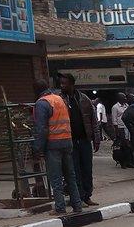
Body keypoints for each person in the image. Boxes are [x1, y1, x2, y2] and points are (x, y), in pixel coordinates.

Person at [33, 81, 83, 214]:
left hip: (53, 144)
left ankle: (60, 207)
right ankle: (77, 205)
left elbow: (41, 129)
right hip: (67, 142)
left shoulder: (42, 103)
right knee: (70, 176)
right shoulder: (59, 100)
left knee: (56, 178)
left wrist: (37, 148)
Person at [59, 74, 100, 206]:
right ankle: (78, 197)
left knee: (87, 169)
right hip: (69, 141)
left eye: (65, 83)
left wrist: (96, 138)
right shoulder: (60, 100)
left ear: (72, 84)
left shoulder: (83, 99)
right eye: (61, 83)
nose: (62, 86)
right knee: (74, 170)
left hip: (84, 140)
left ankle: (87, 195)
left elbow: (93, 120)